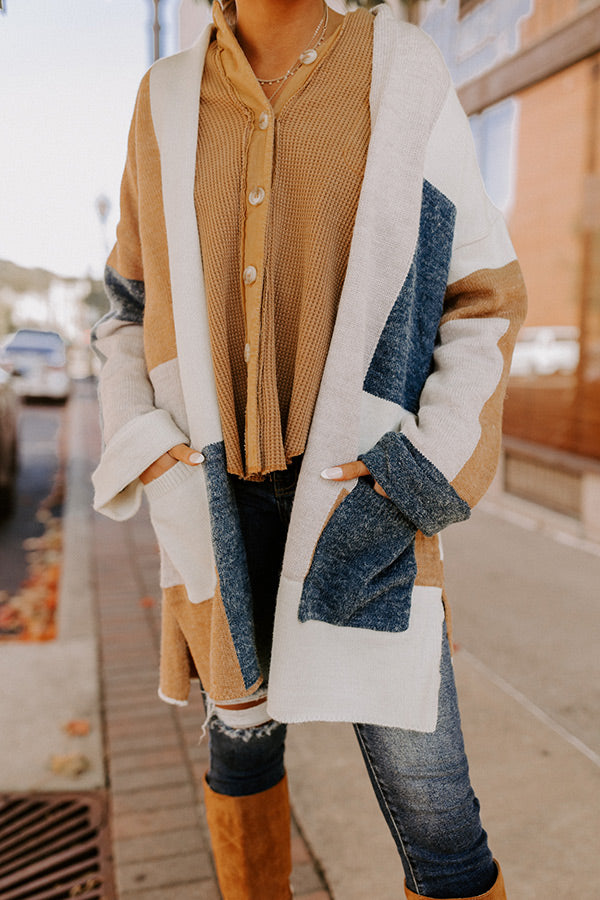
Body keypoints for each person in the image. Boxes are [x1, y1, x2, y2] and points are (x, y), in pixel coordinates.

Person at [92, 0, 527, 897]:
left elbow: (484, 297)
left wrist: (423, 469)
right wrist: (151, 449)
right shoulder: (165, 97)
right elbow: (126, 308)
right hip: (211, 500)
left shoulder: (402, 70)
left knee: (438, 815)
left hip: (362, 501)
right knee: (239, 750)